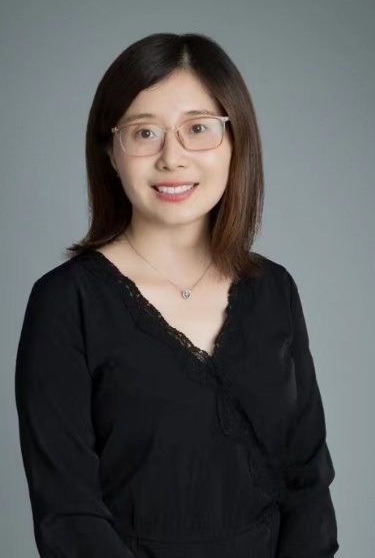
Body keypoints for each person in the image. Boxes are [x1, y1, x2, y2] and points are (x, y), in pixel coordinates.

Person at [15, 33, 339, 558]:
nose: (172, 157)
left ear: (235, 142)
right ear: (111, 152)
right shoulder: (65, 303)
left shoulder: (274, 289)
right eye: (145, 132)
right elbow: (67, 514)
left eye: (198, 128)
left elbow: (307, 483)